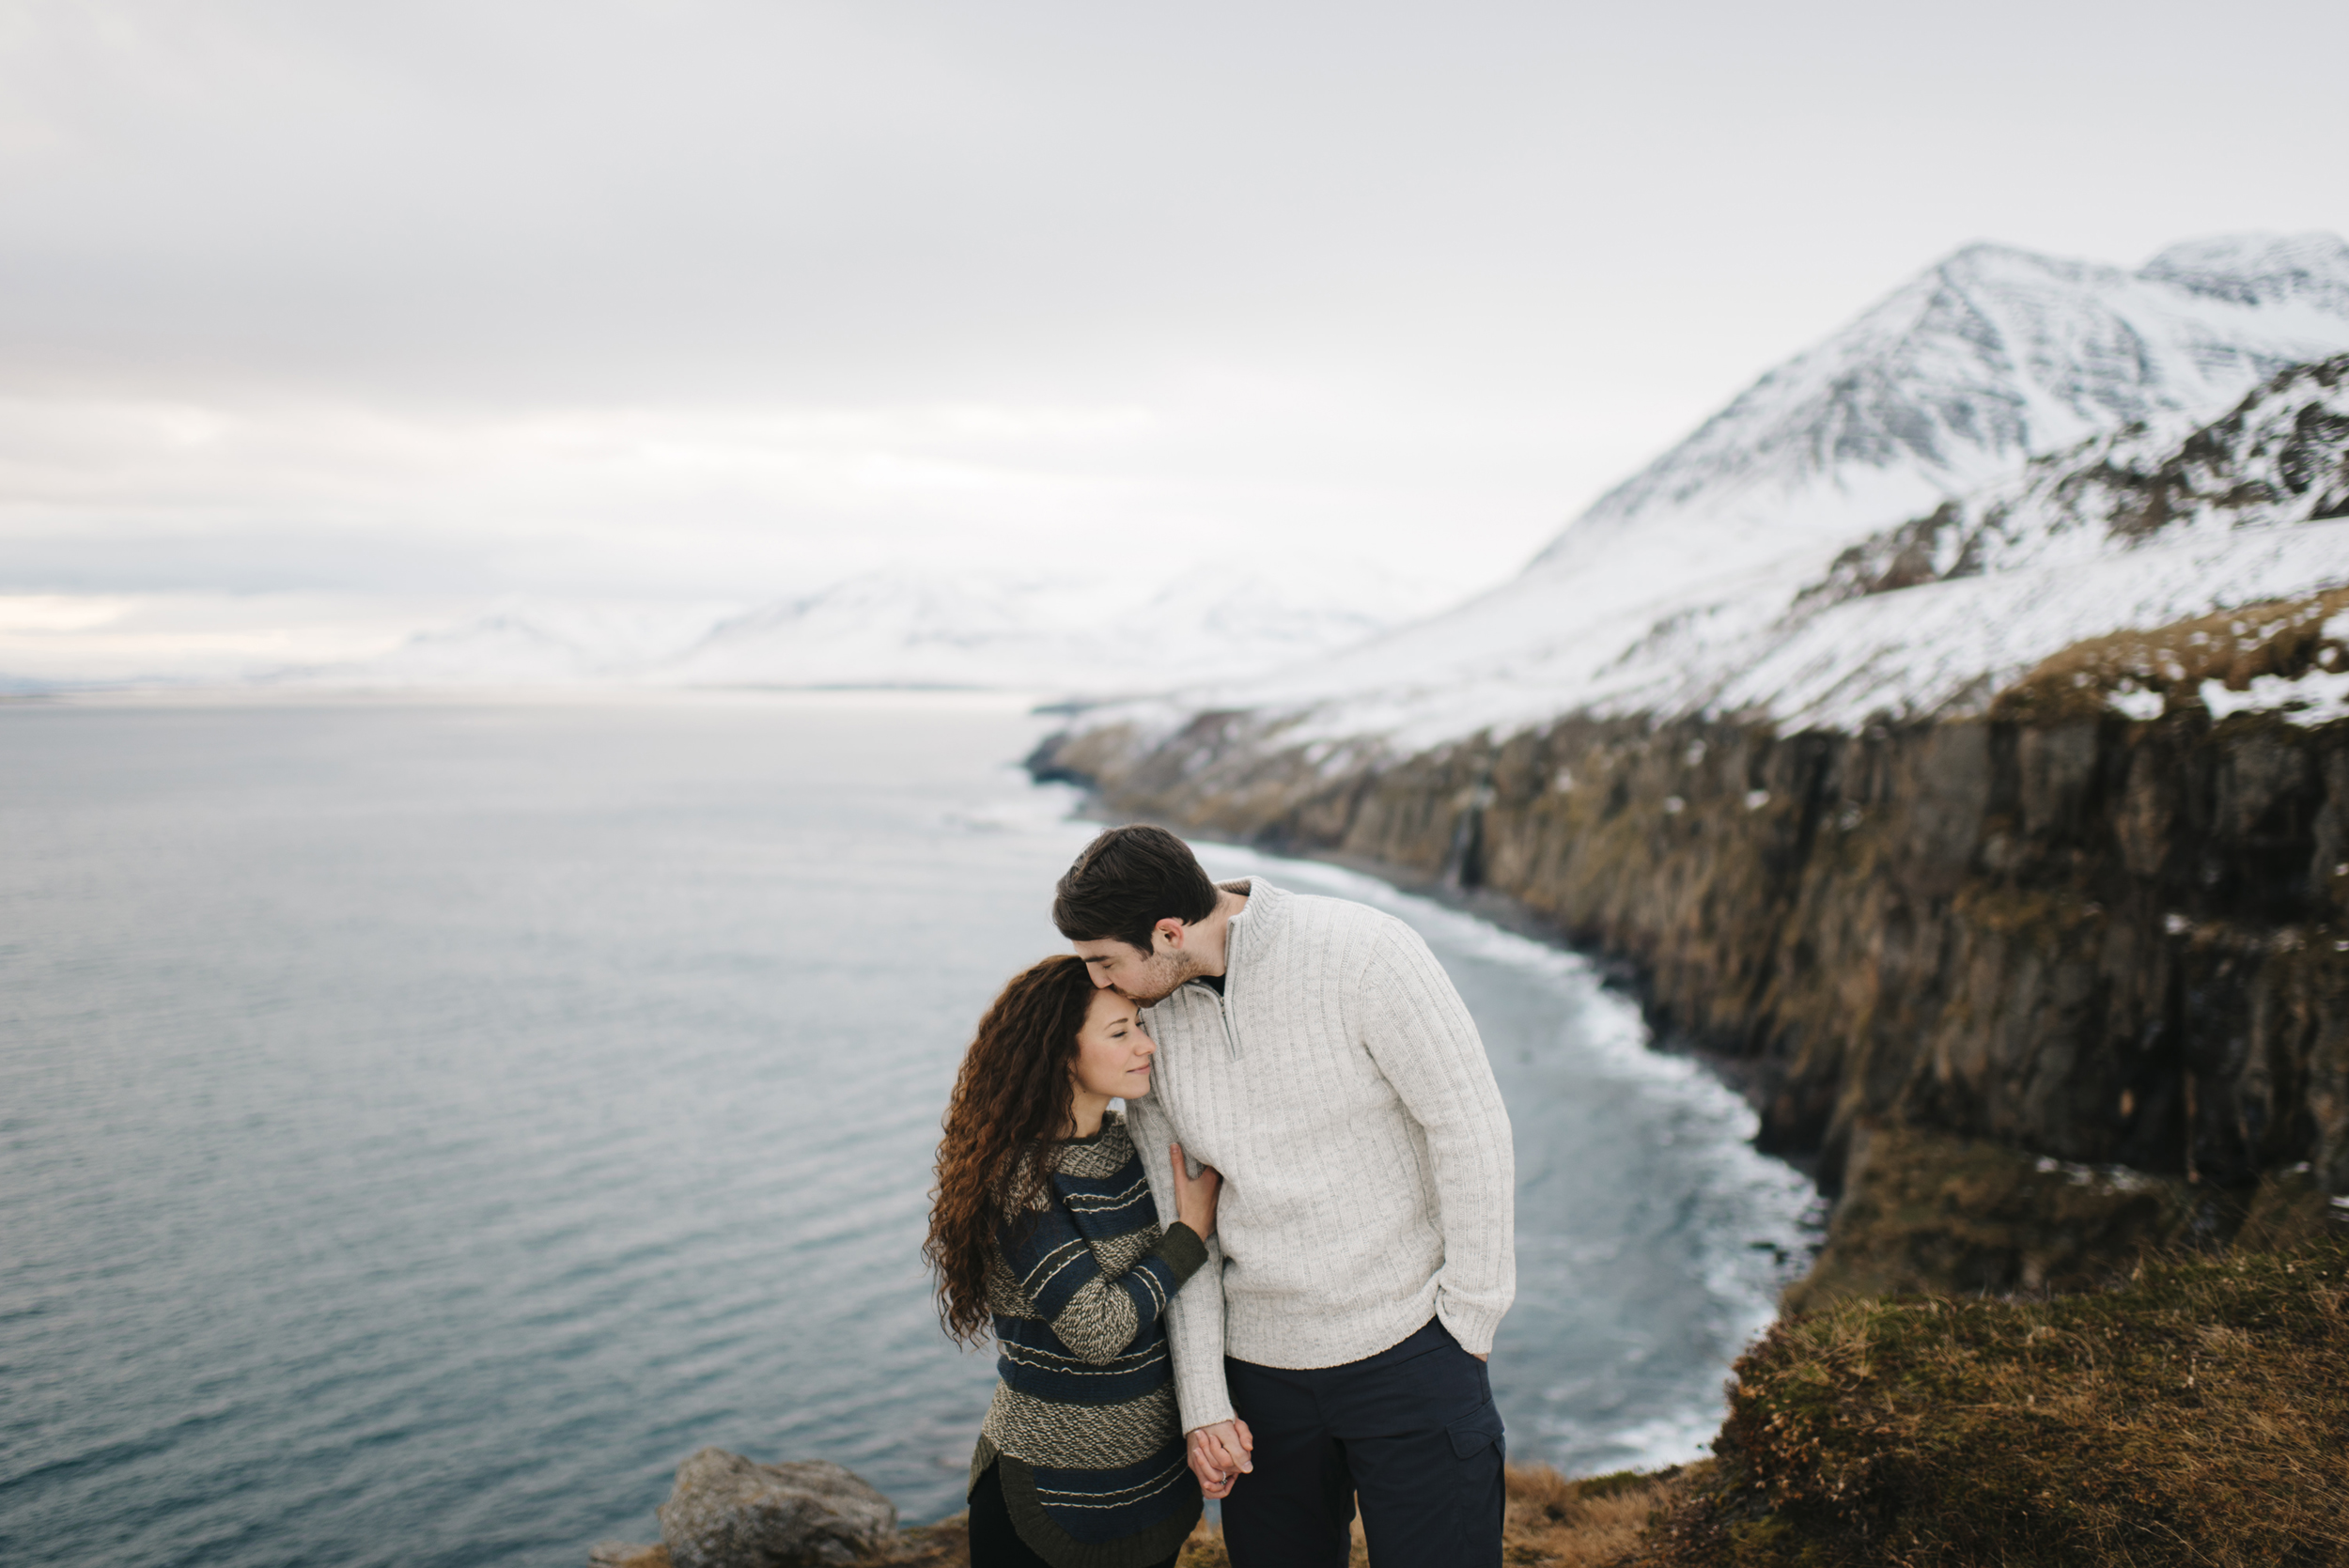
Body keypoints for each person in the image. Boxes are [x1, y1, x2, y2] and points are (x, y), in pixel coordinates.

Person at [1054, 825, 1516, 1568]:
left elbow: (1470, 1126)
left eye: (1105, 961)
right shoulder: (1153, 1028)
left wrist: (1472, 1314)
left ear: (1169, 932)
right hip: (1260, 1384)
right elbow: (1187, 1221)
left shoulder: (1366, 951)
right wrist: (1206, 1399)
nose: (1101, 984)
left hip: (1412, 1349)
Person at [926, 953, 1224, 1568]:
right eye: (1121, 1033)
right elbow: (1097, 1328)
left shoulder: (1126, 1143)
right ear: (1060, 1053)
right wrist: (1187, 1234)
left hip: (1151, 1493)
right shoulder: (1018, 1178)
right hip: (1046, 1502)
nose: (1147, 1045)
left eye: (1140, 1024)